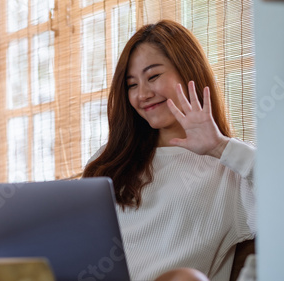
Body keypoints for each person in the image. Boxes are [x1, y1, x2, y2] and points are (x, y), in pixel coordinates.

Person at [83, 19, 256, 281]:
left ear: (188, 72)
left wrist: (219, 147)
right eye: (131, 85)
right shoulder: (110, 160)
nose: (142, 94)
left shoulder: (230, 169)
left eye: (153, 77)